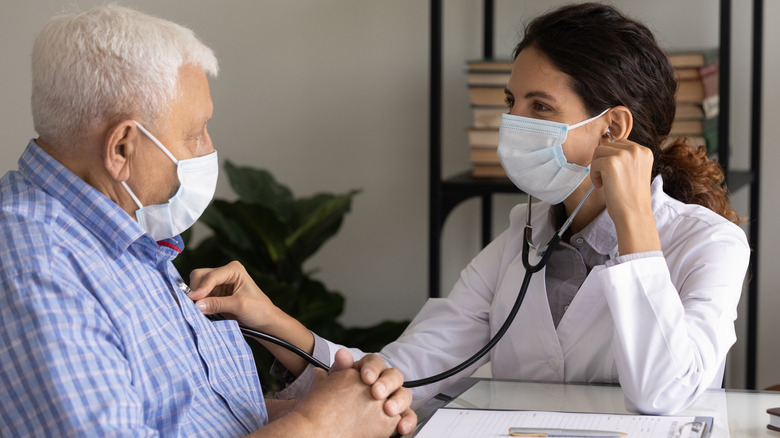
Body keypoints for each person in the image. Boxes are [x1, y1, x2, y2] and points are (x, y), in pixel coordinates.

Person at [187, 2, 750, 416]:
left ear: (613, 127)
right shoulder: (519, 243)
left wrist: (635, 227)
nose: (513, 123)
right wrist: (269, 321)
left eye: (540, 105)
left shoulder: (709, 246)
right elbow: (398, 378)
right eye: (512, 102)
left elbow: (666, 393)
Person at [0, 5, 416, 437]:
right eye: (195, 132)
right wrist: (323, 425)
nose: (208, 149)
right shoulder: (36, 267)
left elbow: (192, 419)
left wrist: (354, 408)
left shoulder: (122, 237)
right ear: (121, 148)